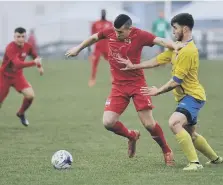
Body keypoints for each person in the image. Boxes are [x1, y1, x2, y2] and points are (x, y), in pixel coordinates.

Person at [65, 14, 184, 166]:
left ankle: (166, 151)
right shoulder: (110, 32)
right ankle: (132, 136)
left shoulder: (140, 35)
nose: (116, 34)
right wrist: (78, 48)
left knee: (148, 124)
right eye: (115, 31)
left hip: (137, 84)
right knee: (108, 122)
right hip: (118, 86)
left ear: (129, 29)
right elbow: (94, 37)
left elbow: (159, 40)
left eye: (120, 32)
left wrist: (174, 46)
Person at [115, 13, 223, 171]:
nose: (172, 31)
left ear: (185, 29)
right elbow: (158, 60)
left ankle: (194, 163)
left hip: (193, 96)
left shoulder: (188, 51)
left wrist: (157, 91)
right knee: (191, 134)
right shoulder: (177, 46)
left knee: (174, 122)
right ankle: (216, 159)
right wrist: (134, 66)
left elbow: (175, 81)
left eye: (175, 28)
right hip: (187, 97)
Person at [0, 27, 44, 126]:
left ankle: (21, 113)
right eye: (18, 37)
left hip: (17, 76)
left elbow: (35, 56)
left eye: (22, 36)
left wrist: (39, 66)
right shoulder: (10, 48)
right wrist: (34, 63)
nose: (20, 39)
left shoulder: (28, 46)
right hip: (4, 76)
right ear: (14, 37)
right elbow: (18, 64)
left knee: (30, 95)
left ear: (26, 37)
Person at [88, 9, 113, 87]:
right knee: (94, 63)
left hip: (107, 47)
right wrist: (89, 45)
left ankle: (113, 78)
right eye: (102, 13)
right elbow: (92, 36)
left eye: (104, 13)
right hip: (98, 47)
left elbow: (112, 35)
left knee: (113, 62)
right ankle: (92, 79)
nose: (103, 14)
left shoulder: (109, 23)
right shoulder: (95, 23)